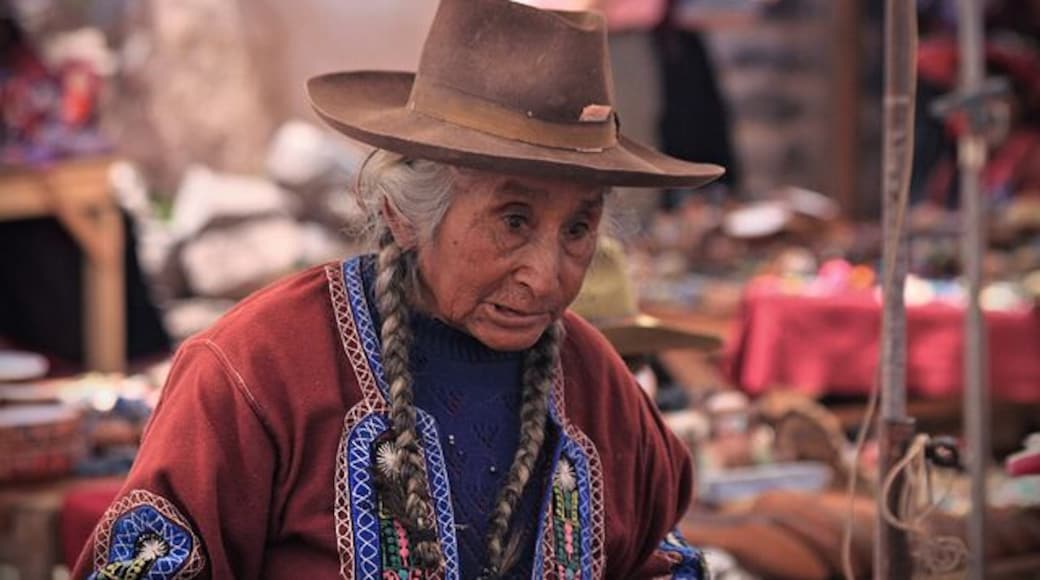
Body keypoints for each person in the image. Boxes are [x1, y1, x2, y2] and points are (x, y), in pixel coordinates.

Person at [73, 0, 723, 577]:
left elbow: (662, 561)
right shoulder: (256, 370)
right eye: (514, 220)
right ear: (403, 215)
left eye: (579, 227)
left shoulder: (599, 390)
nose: (548, 276)